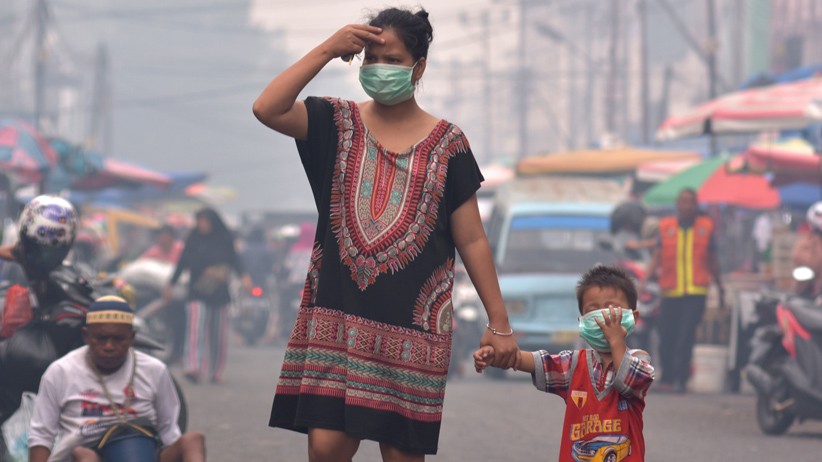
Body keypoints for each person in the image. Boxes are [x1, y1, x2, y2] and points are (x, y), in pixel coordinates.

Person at [253, 6, 518, 460]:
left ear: (419, 67)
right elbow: (267, 107)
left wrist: (500, 324)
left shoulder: (448, 143)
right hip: (336, 319)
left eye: (392, 60)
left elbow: (471, 239)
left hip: (412, 330)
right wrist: (326, 50)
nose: (379, 70)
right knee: (326, 446)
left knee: (400, 454)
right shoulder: (332, 123)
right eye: (371, 59)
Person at [474, 265, 655, 462]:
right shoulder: (575, 364)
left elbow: (629, 380)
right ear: (583, 321)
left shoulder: (639, 358)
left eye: (610, 309)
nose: (603, 318)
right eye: (593, 310)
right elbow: (540, 363)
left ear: (633, 317)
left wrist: (616, 341)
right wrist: (499, 355)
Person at [28, 296, 205, 462]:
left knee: (193, 440)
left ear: (132, 338)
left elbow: (169, 430)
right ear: (86, 336)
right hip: (89, 452)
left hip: (144, 449)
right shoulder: (61, 371)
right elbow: (41, 435)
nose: (109, 346)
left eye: (118, 339)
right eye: (101, 338)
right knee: (84, 456)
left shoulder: (154, 370)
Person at [641, 188, 723, 393]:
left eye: (690, 202)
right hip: (670, 291)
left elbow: (713, 261)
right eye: (683, 201)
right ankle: (667, 376)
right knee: (666, 334)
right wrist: (643, 281)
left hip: (695, 293)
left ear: (696, 205)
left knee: (685, 337)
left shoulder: (706, 227)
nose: (686, 205)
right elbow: (657, 256)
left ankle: (680, 379)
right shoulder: (666, 226)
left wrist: (720, 287)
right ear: (677, 204)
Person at [162, 208, 252, 384]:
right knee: (195, 331)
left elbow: (235, 260)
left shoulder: (225, 240)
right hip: (197, 292)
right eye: (200, 221)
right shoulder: (193, 240)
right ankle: (193, 367)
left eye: (205, 221)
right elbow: (182, 263)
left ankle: (216, 372)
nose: (202, 225)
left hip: (220, 294)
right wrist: (170, 284)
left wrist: (244, 276)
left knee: (219, 336)